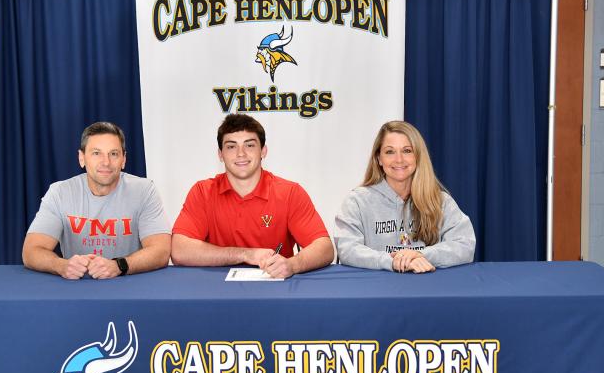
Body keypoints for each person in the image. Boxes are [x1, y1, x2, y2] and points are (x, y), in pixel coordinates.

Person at [171, 113, 333, 278]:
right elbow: (179, 250)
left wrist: (292, 265)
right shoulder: (202, 192)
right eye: (231, 146)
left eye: (249, 145)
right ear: (220, 154)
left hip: (275, 290)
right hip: (216, 291)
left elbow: (324, 248)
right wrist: (245, 254)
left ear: (263, 151)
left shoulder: (290, 192)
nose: (241, 153)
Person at [23, 121, 171, 279]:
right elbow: (32, 251)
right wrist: (62, 266)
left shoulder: (144, 190)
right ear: (82, 158)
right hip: (78, 286)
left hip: (129, 283)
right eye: (96, 153)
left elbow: (161, 250)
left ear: (124, 159)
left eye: (113, 153)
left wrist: (119, 265)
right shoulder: (59, 192)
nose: (106, 162)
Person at [335, 120, 475, 273]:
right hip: (376, 289)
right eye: (390, 151)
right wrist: (392, 262)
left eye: (407, 150)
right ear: (379, 159)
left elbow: (465, 244)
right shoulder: (357, 201)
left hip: (429, 287)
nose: (399, 159)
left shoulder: (441, 201)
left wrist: (421, 254)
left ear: (418, 156)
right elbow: (347, 249)